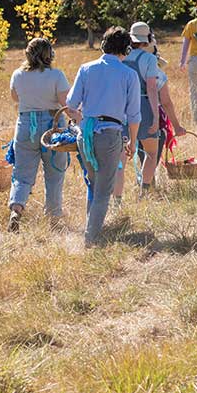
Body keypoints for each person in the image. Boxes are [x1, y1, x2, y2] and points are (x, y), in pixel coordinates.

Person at [65, 28, 141, 246]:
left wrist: (82, 120)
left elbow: (70, 104)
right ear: (126, 49)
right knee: (103, 191)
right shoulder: (129, 75)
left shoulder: (86, 69)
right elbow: (134, 116)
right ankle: (91, 239)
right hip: (110, 135)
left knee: (95, 184)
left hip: (85, 135)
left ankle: (92, 229)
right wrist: (132, 142)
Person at [7, 38, 71, 231]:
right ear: (49, 55)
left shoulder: (17, 75)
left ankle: (16, 210)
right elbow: (65, 103)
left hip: (26, 124)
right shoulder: (56, 76)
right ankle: (53, 218)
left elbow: (15, 98)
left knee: (22, 173)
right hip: (52, 126)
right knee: (54, 173)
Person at [121, 22, 188, 196]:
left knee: (121, 156)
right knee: (151, 153)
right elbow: (159, 96)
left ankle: (117, 197)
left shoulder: (122, 58)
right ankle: (145, 192)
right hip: (143, 106)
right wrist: (158, 117)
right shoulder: (149, 60)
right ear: (148, 39)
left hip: (121, 109)